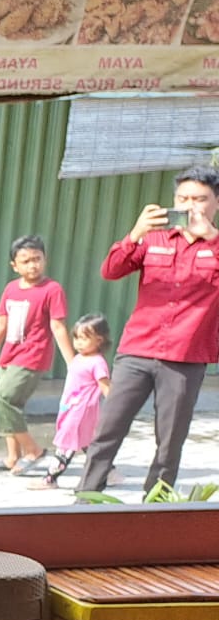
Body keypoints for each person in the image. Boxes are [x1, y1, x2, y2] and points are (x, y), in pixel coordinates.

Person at [79, 166, 219, 496]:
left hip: (185, 357)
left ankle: (154, 506)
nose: (190, 206)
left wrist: (212, 239)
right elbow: (111, 271)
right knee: (107, 430)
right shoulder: (154, 238)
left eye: (199, 199)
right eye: (183, 198)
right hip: (137, 351)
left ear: (215, 202)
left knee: (170, 440)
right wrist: (134, 233)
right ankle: (86, 502)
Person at [0, 235, 71, 475]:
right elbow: (2, 324)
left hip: (33, 356)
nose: (33, 265)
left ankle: (33, 450)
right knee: (10, 405)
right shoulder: (11, 289)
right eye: (26, 261)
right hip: (9, 355)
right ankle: (12, 457)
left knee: (1, 400)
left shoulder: (52, 289)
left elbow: (58, 326)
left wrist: (73, 364)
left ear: (45, 259)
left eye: (37, 259)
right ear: (15, 266)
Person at [34, 314, 113, 490]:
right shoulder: (78, 358)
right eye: (76, 337)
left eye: (84, 338)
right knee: (87, 443)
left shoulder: (97, 363)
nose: (78, 343)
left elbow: (106, 388)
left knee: (66, 445)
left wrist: (116, 410)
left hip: (81, 411)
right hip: (70, 408)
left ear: (99, 340)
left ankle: (50, 479)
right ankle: (109, 472)